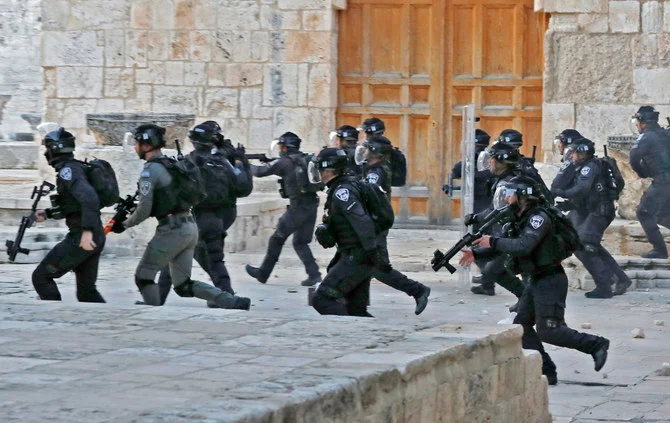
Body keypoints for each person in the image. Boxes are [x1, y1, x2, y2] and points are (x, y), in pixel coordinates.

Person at [462, 175, 610, 385]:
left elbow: (523, 245)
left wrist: (492, 241)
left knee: (550, 331)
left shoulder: (538, 218)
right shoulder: (518, 218)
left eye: (510, 195)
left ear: (523, 197)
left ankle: (596, 344)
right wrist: (476, 253)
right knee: (522, 326)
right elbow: (505, 246)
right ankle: (546, 372)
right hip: (535, 280)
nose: (506, 199)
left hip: (550, 280)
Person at [111, 123, 250, 309]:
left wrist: (125, 224)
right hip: (193, 225)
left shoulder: (156, 169)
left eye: (137, 143)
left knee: (144, 275)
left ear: (146, 144)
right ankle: (230, 300)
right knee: (185, 283)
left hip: (175, 227)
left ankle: (152, 309)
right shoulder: (178, 163)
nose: (135, 147)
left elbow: (145, 209)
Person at [154, 121, 251, 307]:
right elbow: (243, 187)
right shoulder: (224, 161)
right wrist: (239, 160)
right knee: (214, 259)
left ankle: (157, 300)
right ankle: (226, 297)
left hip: (196, 217)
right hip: (220, 219)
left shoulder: (190, 161)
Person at [354, 134, 431, 315]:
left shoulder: (376, 173)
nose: (363, 151)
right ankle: (358, 307)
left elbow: (367, 195)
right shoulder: (374, 167)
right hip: (372, 222)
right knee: (361, 263)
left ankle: (417, 290)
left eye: (366, 148)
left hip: (374, 224)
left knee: (378, 268)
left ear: (375, 153)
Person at [32, 127, 106, 302]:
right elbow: (74, 204)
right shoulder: (75, 168)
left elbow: (89, 198)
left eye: (48, 149)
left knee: (41, 278)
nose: (46, 153)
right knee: (87, 292)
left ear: (56, 149)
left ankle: (54, 317)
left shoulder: (68, 171)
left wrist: (86, 233)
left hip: (82, 237)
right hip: (95, 234)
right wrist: (48, 213)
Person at [552, 138, 632, 298]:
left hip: (599, 212)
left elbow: (582, 189)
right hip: (589, 210)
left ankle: (605, 286)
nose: (571, 156)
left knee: (586, 245)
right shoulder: (580, 166)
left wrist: (561, 193)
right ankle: (620, 278)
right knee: (585, 245)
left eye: (574, 152)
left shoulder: (590, 166)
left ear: (582, 153)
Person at [245, 132, 322, 286]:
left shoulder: (284, 162)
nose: (280, 149)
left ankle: (263, 273)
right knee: (300, 242)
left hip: (297, 208)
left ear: (285, 147)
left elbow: (260, 172)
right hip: (311, 205)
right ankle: (314, 274)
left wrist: (243, 164)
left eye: (281, 146)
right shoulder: (304, 160)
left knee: (276, 239)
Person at [310, 148, 378, 316]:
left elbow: (361, 220)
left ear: (328, 171)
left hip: (357, 256)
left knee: (321, 299)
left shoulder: (342, 192)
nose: (318, 173)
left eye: (320, 169)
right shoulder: (342, 186)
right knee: (356, 309)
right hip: (358, 256)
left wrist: (371, 252)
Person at [467, 142, 525, 299]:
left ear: (501, 162)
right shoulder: (505, 179)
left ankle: (528, 301)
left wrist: (476, 218)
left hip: (522, 236)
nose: (489, 162)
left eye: (491, 159)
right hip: (511, 234)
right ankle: (527, 300)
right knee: (493, 268)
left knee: (495, 268)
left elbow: (497, 210)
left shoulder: (510, 183)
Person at [630, 106, 670, 259]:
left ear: (643, 122)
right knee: (662, 214)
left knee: (644, 212)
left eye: (637, 121)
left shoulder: (647, 136)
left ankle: (659, 250)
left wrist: (642, 173)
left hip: (662, 181)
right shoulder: (665, 133)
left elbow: (634, 158)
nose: (636, 125)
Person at [447, 128, 492, 215]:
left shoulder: (488, 162)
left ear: (475, 145)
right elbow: (453, 174)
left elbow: (453, 174)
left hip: (482, 205)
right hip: (476, 203)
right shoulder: (467, 163)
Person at [550, 129, 582, 205]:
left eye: (560, 142)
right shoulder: (583, 159)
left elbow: (557, 185)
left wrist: (548, 196)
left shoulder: (572, 161)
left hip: (589, 210)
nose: (559, 146)